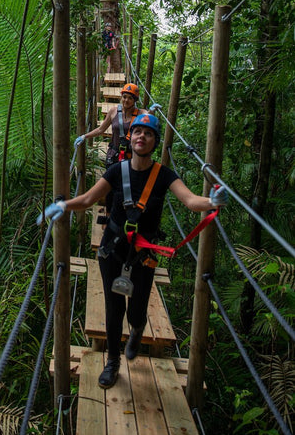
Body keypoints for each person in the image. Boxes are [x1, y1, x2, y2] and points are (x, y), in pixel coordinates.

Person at [38, 113, 228, 389]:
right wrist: (65, 205)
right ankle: (112, 362)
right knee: (113, 308)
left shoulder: (164, 175)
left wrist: (211, 201)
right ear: (131, 137)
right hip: (112, 249)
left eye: (148, 134)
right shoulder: (117, 170)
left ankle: (138, 329)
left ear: (154, 141)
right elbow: (90, 198)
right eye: (137, 132)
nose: (142, 136)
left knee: (136, 310)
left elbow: (189, 200)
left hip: (143, 254)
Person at [74, 83, 146, 215]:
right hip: (114, 154)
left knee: (128, 187)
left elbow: (149, 118)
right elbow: (101, 129)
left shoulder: (140, 114)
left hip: (131, 157)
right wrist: (85, 136)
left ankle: (122, 214)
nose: (126, 100)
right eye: (124, 97)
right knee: (110, 186)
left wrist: (152, 112)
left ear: (135, 100)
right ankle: (108, 214)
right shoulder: (114, 111)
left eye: (130, 98)